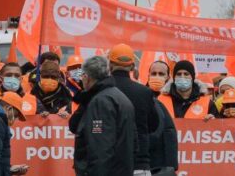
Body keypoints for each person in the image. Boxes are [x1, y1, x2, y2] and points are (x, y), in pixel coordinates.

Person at [70, 55, 136, 176]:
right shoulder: (119, 96)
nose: (81, 79)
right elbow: (134, 142)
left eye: (82, 75)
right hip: (122, 169)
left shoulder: (100, 101)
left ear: (87, 77)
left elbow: (100, 147)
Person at [105, 44, 158, 176]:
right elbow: (153, 125)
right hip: (138, 163)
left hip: (109, 163)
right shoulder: (144, 92)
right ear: (132, 66)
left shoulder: (101, 90)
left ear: (110, 64)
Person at [145, 60, 177, 176]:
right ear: (148, 76)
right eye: (154, 73)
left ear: (168, 77)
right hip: (148, 160)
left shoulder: (177, 99)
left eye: (161, 74)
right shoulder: (140, 97)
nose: (157, 77)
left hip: (166, 162)